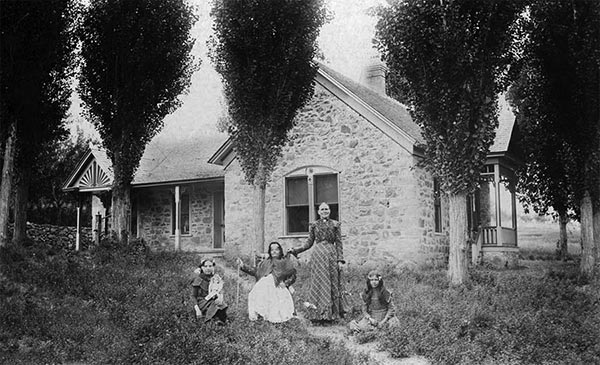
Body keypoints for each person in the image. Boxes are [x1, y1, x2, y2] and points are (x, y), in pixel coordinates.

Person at [289, 202, 346, 322]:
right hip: (318, 256)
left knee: (332, 282)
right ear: (318, 212)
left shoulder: (335, 224)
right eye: (322, 209)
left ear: (329, 210)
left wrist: (340, 260)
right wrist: (296, 250)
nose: (324, 211)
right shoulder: (314, 225)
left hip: (331, 255)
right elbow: (309, 243)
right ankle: (317, 315)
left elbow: (339, 243)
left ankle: (332, 315)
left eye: (326, 209)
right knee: (318, 282)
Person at [237, 241, 296, 323]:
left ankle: (274, 318)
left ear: (280, 251)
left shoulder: (285, 262)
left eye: (276, 249)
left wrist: (286, 283)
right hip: (264, 284)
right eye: (272, 250)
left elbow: (293, 275)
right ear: (269, 252)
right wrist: (243, 266)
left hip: (278, 286)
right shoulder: (266, 262)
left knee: (275, 302)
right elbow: (256, 272)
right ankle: (261, 316)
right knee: (254, 295)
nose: (274, 251)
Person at [190, 259, 228, 324]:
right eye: (206, 266)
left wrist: (220, 297)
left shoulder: (215, 278)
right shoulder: (198, 279)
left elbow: (220, 289)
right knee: (214, 303)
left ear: (213, 267)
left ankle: (219, 320)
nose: (208, 268)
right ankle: (208, 320)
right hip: (202, 302)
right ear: (202, 267)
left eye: (210, 266)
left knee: (221, 303)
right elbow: (193, 296)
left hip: (212, 299)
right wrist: (197, 310)